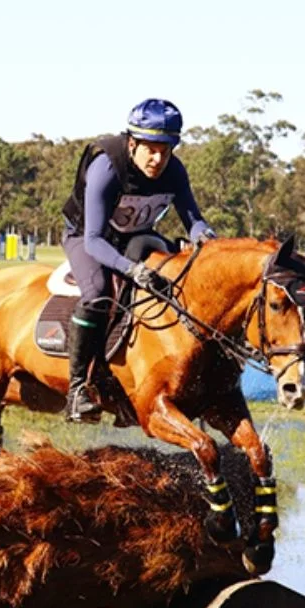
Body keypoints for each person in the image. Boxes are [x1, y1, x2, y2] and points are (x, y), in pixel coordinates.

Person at [59, 98, 216, 422]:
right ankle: (78, 389)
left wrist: (207, 236)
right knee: (99, 291)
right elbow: (94, 240)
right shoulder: (106, 167)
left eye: (166, 149)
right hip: (86, 237)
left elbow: (193, 220)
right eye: (151, 149)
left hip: (134, 237)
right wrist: (132, 269)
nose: (158, 158)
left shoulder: (174, 170)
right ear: (132, 142)